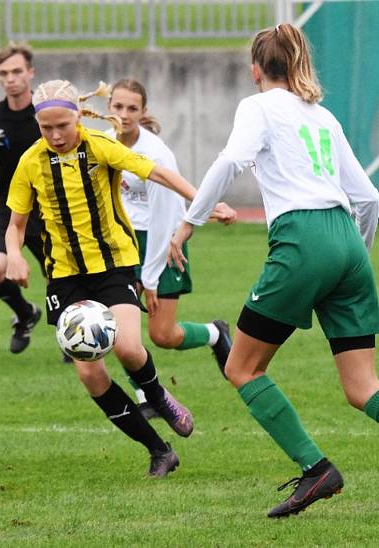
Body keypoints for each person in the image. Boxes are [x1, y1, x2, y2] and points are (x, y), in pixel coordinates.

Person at [169, 23, 379, 519]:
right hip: (347, 240)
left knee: (241, 367)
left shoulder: (258, 106)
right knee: (363, 386)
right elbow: (369, 198)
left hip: (303, 239)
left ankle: (316, 469)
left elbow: (231, 161)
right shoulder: (323, 116)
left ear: (256, 68)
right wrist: (351, 261)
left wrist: (187, 224)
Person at [5, 80, 235, 478]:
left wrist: (205, 203)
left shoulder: (100, 146)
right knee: (90, 373)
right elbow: (15, 225)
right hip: (64, 277)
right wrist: (13, 256)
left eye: (63, 125)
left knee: (129, 347)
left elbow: (159, 174)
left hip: (113, 265)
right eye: (47, 128)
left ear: (78, 117)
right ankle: (159, 450)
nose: (56, 135)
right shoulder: (30, 162)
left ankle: (159, 396)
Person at [106, 78, 235, 417]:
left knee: (163, 334)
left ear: (143, 111)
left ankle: (213, 333)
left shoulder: (155, 153)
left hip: (161, 241)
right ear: (108, 109)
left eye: (132, 108)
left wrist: (149, 277)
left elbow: (165, 216)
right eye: (118, 107)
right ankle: (147, 395)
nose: (124, 114)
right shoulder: (103, 144)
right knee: (119, 328)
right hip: (122, 243)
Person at [0, 42, 46, 355]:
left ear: (30, 73)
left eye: (17, 71)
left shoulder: (45, 114)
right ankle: (26, 313)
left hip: (47, 207)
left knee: (61, 278)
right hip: (7, 203)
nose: (10, 78)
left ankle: (72, 337)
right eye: (4, 73)